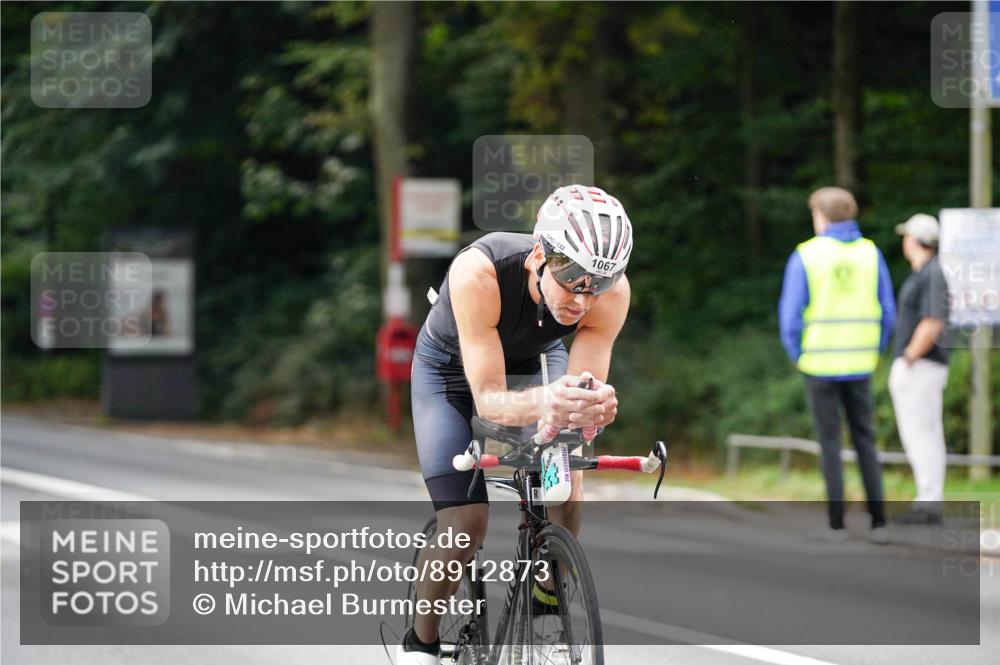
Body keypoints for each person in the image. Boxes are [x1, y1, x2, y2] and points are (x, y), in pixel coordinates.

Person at [399, 185, 633, 664]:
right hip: (450, 373)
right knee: (466, 522)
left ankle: (547, 592)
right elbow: (487, 400)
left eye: (600, 283)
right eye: (572, 278)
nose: (585, 299)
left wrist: (591, 407)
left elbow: (580, 391)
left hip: (534, 360)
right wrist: (550, 400)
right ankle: (420, 643)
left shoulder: (610, 295)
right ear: (539, 256)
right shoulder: (478, 274)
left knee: (565, 485)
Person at [778, 186, 896, 544]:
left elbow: (790, 317)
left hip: (819, 364)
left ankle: (836, 524)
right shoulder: (871, 253)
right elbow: (887, 311)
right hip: (861, 362)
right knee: (866, 441)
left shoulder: (806, 255)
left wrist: (798, 354)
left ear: (823, 217)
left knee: (830, 443)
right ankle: (879, 523)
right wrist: (875, 349)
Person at [888, 214, 950, 525]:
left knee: (921, 435)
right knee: (924, 434)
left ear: (914, 239)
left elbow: (932, 322)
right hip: (923, 365)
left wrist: (908, 359)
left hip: (922, 365)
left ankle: (928, 502)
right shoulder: (927, 272)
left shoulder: (932, 273)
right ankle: (928, 499)